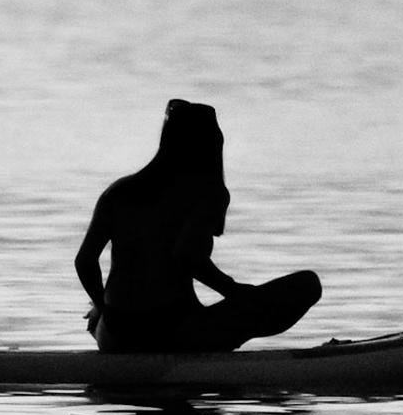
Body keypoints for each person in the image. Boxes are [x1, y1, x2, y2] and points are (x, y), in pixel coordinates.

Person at [75, 99, 321, 353]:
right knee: (308, 284)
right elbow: (186, 255)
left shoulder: (117, 191)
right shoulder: (209, 193)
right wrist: (234, 291)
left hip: (115, 335)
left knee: (104, 312)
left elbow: (84, 262)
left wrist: (102, 307)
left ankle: (107, 322)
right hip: (173, 333)